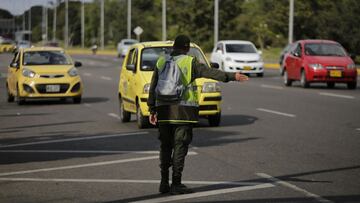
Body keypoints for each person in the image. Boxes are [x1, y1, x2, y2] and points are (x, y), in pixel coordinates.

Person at [147, 35, 248, 195]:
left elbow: (153, 87)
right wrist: (231, 76)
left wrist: (152, 110)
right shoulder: (190, 62)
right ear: (186, 48)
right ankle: (176, 183)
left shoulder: (161, 62)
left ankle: (164, 183)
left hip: (164, 112)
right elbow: (210, 72)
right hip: (183, 113)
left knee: (165, 147)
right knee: (180, 147)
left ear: (174, 47)